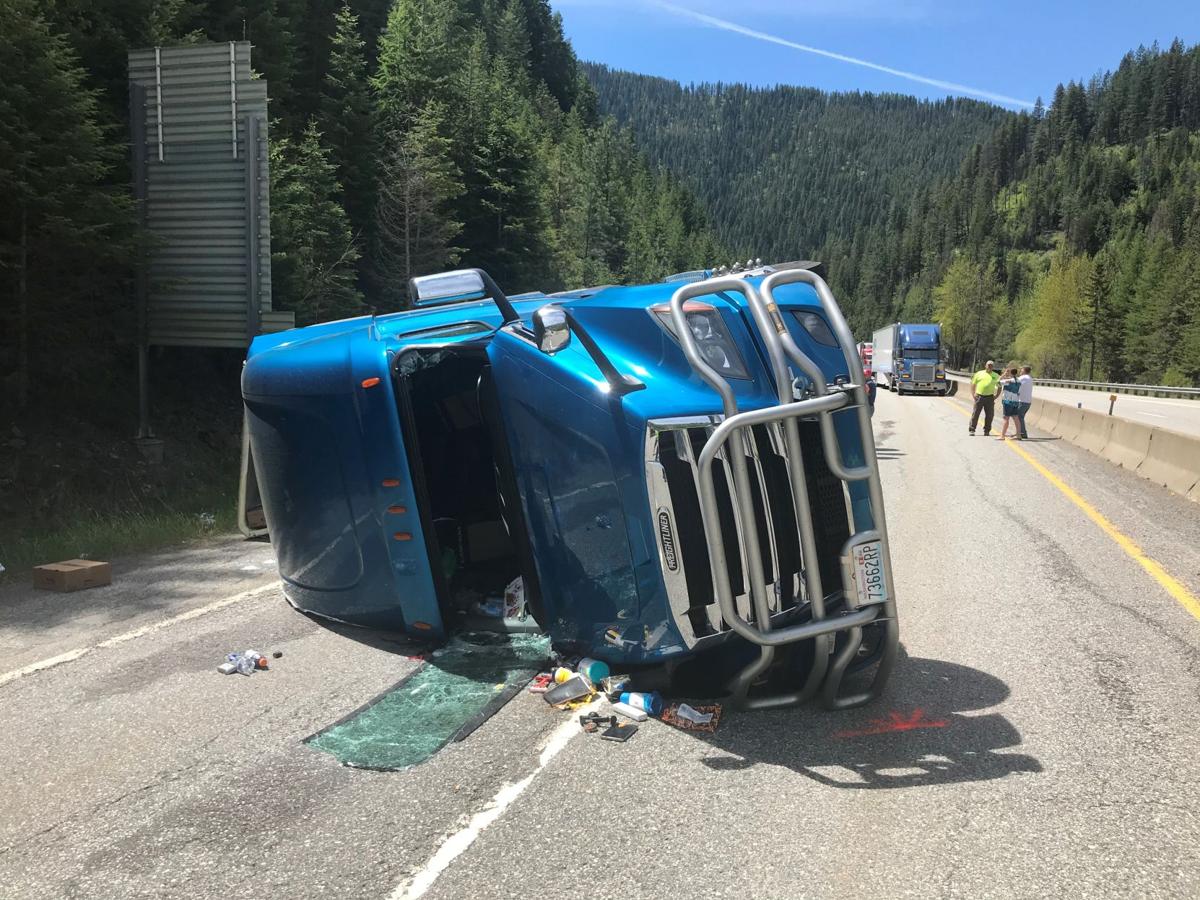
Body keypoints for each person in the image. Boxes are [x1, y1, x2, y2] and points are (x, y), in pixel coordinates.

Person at [969, 360, 1000, 436]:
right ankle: (972, 429)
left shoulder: (996, 376)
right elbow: (973, 384)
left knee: (990, 415)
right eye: (988, 365)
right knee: (975, 414)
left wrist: (996, 395)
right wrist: (973, 394)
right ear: (985, 366)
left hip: (990, 397)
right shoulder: (979, 373)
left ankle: (987, 430)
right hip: (979, 396)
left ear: (993, 367)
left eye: (991, 365)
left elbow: (999, 386)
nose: (989, 366)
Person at [997, 368, 1021, 440]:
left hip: (1007, 401)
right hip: (1015, 401)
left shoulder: (1008, 381)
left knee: (1006, 418)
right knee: (1016, 418)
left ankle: (1002, 435)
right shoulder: (1019, 381)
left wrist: (1004, 374)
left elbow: (997, 382)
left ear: (1010, 373)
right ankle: (1018, 435)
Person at [1017, 365, 1034, 439]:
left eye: (1021, 370)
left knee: (1019, 417)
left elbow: (1013, 382)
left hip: (1022, 401)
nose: (1020, 371)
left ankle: (1022, 433)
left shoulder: (1023, 378)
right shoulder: (1030, 378)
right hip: (1028, 402)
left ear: (1024, 370)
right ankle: (1020, 432)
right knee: (1020, 417)